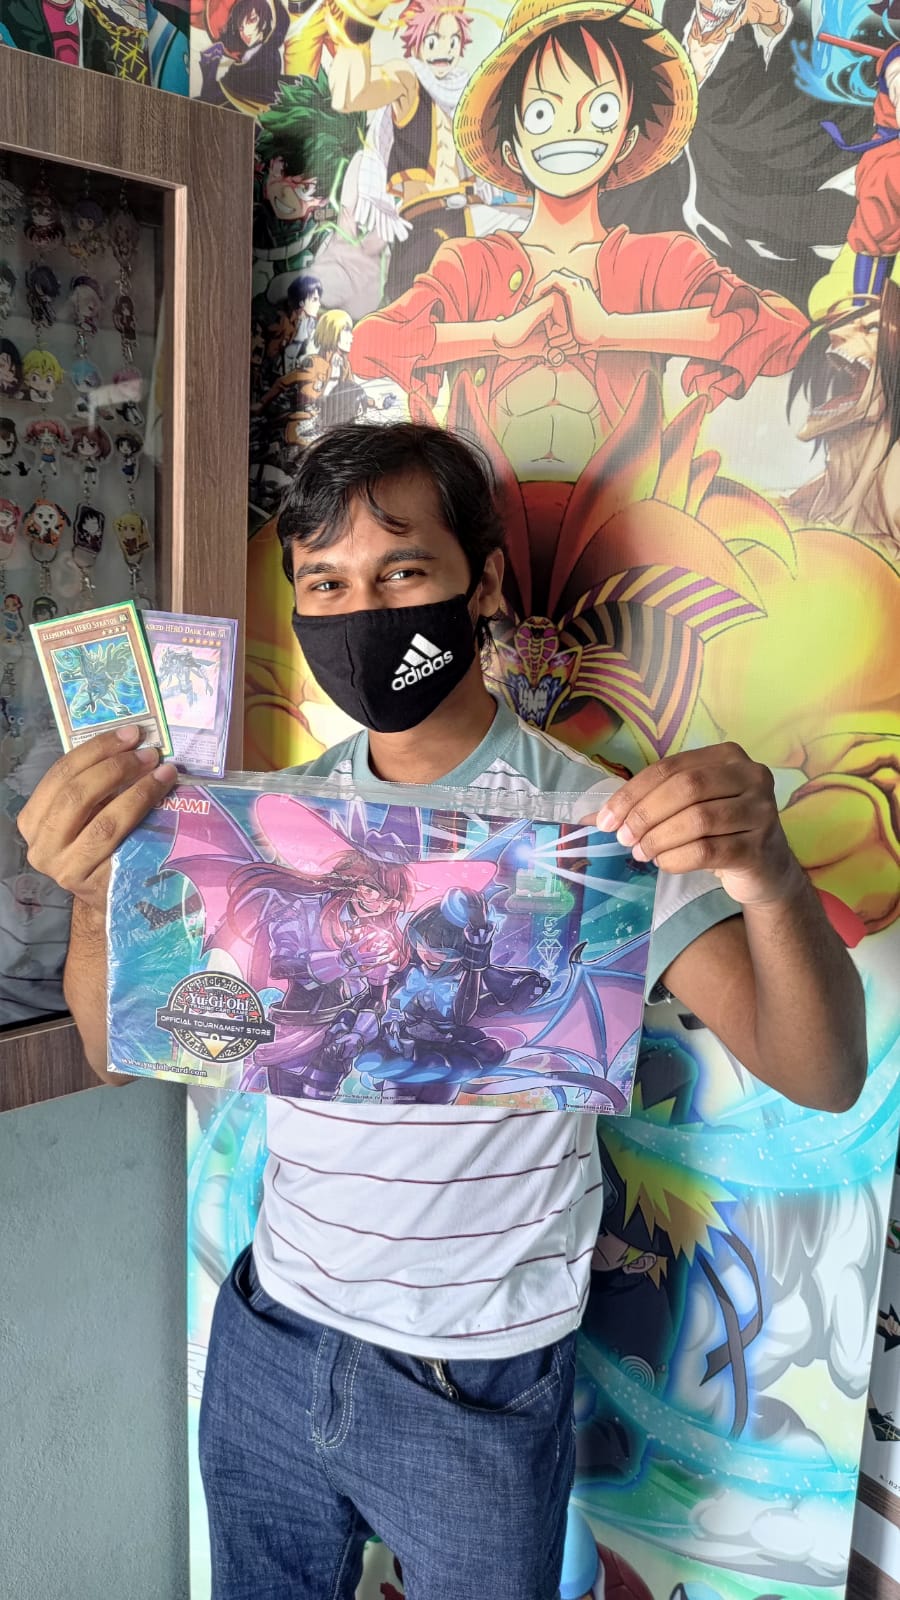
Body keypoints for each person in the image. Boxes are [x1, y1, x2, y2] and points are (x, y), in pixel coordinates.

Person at [19, 422, 867, 1600]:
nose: (359, 611)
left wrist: (768, 874)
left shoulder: (602, 829)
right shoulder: (267, 819)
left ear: (486, 583)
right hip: (270, 1336)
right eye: (326, 583)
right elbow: (118, 1051)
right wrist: (92, 895)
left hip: (474, 1386)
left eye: (401, 570)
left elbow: (822, 1071)